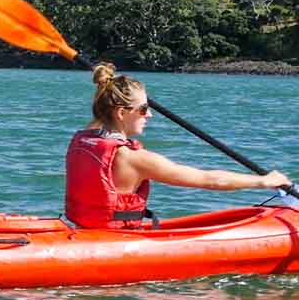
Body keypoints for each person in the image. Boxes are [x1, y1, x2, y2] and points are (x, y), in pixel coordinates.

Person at [64, 63, 291, 229]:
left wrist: (108, 86)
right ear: (121, 113)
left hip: (85, 230)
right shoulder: (135, 159)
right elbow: (210, 180)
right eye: (144, 109)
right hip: (116, 240)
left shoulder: (84, 139)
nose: (150, 115)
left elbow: (102, 114)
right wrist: (263, 181)